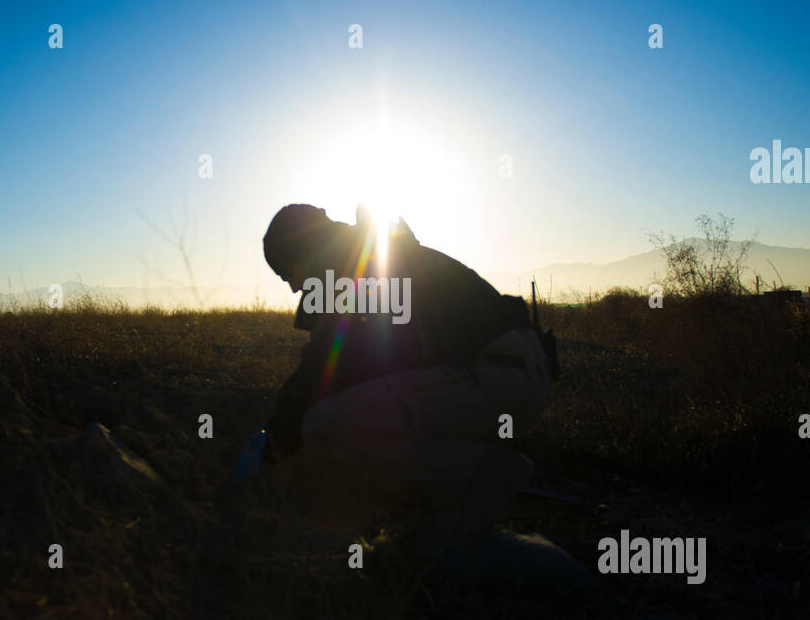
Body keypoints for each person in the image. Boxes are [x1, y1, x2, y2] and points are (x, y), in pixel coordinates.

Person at [250, 204, 591, 589]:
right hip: (512, 374)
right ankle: (438, 496)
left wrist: (271, 463)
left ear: (302, 251)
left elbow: (315, 378)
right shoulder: (370, 251)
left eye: (286, 273)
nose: (294, 287)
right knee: (355, 417)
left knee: (323, 424)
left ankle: (483, 475)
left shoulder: (344, 268)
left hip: (494, 376)